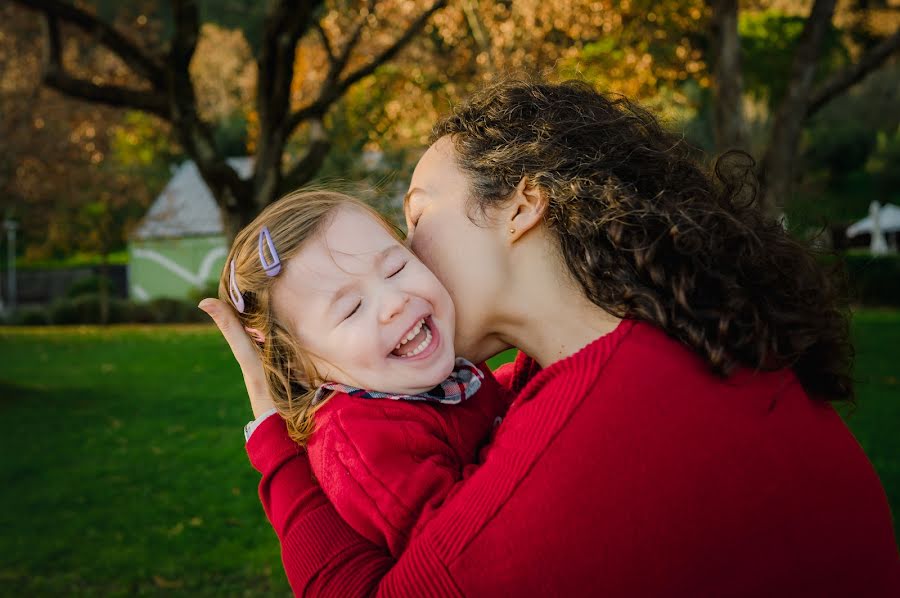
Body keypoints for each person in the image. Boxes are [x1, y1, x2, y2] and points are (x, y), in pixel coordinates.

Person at [199, 80, 899, 596]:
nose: (410, 261)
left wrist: (275, 439)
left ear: (522, 206)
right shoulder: (649, 342)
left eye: (413, 224)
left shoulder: (564, 461)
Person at [220, 189, 513, 558]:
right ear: (299, 364)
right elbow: (459, 548)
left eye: (396, 268)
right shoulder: (358, 442)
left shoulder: (433, 369)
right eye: (352, 308)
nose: (395, 302)